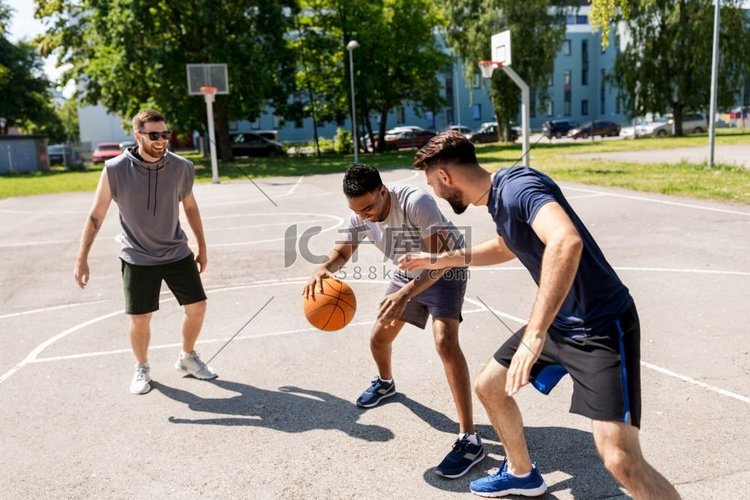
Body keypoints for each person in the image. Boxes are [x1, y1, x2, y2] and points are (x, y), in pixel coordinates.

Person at [399, 131, 680, 499]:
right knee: (490, 386)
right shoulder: (498, 200)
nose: (433, 191)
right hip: (560, 323)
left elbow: (566, 241)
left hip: (600, 327)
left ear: (445, 177)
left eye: (431, 182)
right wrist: (440, 259)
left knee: (620, 460)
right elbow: (506, 245)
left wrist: (535, 333)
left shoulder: (518, 188)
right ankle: (521, 473)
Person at [303, 163, 484, 478]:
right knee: (379, 337)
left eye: (369, 207)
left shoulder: (416, 202)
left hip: (445, 267)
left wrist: (404, 296)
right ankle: (386, 383)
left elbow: (438, 263)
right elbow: (343, 252)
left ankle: (469, 439)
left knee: (444, 341)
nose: (365, 216)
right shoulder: (360, 214)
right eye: (357, 210)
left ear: (383, 191)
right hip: (408, 271)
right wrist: (324, 267)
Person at [74, 109, 217, 395]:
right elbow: (96, 214)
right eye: (154, 135)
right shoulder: (115, 169)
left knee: (198, 306)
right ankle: (142, 367)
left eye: (165, 133)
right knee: (140, 318)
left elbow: (190, 207)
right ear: (138, 135)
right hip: (137, 256)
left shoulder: (182, 167)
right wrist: (82, 258)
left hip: (176, 251)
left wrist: (201, 246)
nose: (162, 139)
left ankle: (187, 357)